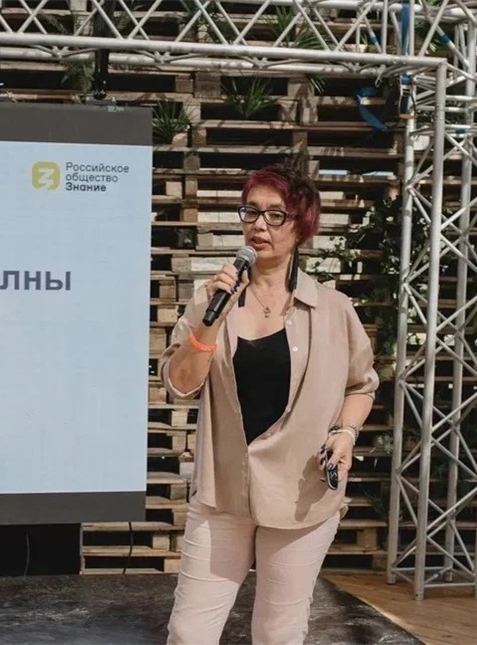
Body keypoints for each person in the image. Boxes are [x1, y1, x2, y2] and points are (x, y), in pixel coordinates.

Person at [159, 163, 379, 645]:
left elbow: (361, 385)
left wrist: (345, 433)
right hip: (224, 493)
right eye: (251, 212)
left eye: (275, 215)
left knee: (278, 634)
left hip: (301, 494)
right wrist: (211, 320)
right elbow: (179, 384)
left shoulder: (333, 309)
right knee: (189, 632)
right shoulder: (210, 298)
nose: (259, 225)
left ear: (302, 226)